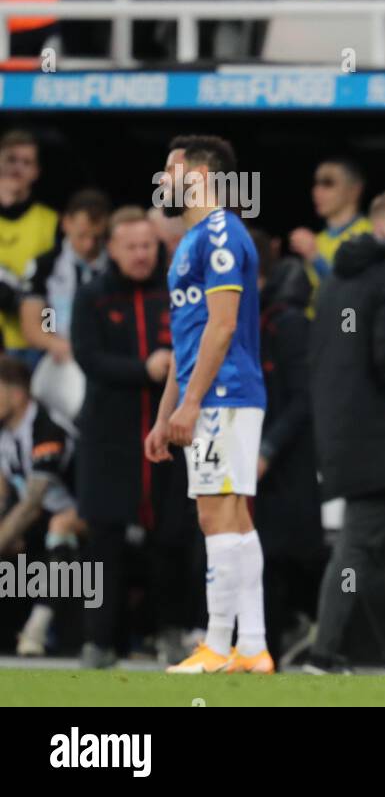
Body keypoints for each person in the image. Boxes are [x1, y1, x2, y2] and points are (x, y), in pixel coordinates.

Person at [144, 135, 272, 675]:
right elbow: (186, 339)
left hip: (224, 393)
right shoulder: (194, 240)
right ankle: (253, 648)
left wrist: (192, 403)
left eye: (168, 171)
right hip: (215, 394)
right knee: (234, 515)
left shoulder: (220, 233)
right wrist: (164, 413)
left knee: (214, 513)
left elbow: (222, 326)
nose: (161, 181)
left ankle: (217, 646)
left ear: (195, 175)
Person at [306, 189, 385, 673]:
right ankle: (322, 652)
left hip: (339, 425)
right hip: (380, 430)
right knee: (360, 541)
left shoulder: (336, 276)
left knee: (371, 544)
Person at [73, 206, 194, 669]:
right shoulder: (92, 297)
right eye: (132, 247)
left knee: (171, 540)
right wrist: (143, 369)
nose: (142, 254)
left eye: (149, 245)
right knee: (104, 541)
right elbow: (88, 358)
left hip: (171, 440)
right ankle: (98, 641)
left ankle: (169, 633)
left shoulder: (177, 293)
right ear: (113, 249)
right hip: (110, 441)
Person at [250, 230, 324, 663]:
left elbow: (303, 397)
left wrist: (268, 447)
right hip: (253, 456)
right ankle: (264, 646)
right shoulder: (247, 318)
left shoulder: (287, 321)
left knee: (280, 559)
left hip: (283, 462)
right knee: (256, 558)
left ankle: (293, 633)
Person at [0, 355, 80, 656]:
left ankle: (37, 627)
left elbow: (33, 501)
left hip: (83, 511)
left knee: (59, 524)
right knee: (13, 538)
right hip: (39, 517)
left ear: (18, 393)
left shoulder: (46, 427)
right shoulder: (5, 433)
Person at [21, 188, 111, 368]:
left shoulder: (116, 264)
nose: (88, 245)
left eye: (96, 237)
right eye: (82, 236)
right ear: (66, 223)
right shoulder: (44, 266)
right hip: (57, 351)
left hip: (106, 353)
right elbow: (31, 325)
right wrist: (55, 343)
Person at [0, 130, 59, 357]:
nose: (17, 168)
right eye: (11, 160)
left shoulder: (50, 221)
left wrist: (48, 335)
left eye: (26, 163)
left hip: (33, 347)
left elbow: (55, 291)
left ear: (36, 172)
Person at [289, 157, 372, 293]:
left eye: (328, 183)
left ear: (355, 190)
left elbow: (355, 292)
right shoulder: (317, 240)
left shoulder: (370, 235)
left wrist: (315, 257)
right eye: (316, 183)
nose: (316, 191)